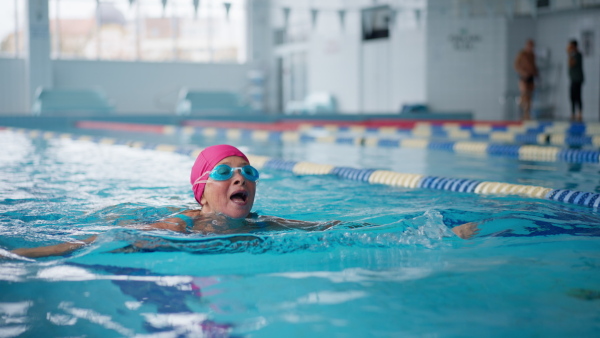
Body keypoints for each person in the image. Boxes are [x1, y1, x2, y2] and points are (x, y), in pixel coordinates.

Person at [7, 145, 479, 258]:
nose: (240, 178)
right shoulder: (182, 224)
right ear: (201, 191)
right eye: (225, 172)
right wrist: (20, 254)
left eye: (248, 172)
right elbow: (104, 240)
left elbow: (338, 232)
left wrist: (434, 233)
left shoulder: (267, 223)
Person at [514, 39, 538, 121]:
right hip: (523, 77)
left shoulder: (532, 55)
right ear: (526, 45)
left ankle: (527, 114)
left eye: (532, 46)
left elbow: (534, 66)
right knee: (524, 94)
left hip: (531, 77)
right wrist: (523, 72)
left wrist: (536, 74)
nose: (531, 48)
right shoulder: (521, 54)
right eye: (529, 46)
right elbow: (516, 65)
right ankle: (521, 113)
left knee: (529, 96)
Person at [567, 39, 584, 122]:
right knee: (572, 97)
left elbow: (572, 64)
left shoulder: (578, 55)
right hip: (573, 79)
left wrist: (569, 54)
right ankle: (573, 113)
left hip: (577, 79)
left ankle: (579, 113)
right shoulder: (573, 55)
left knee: (578, 97)